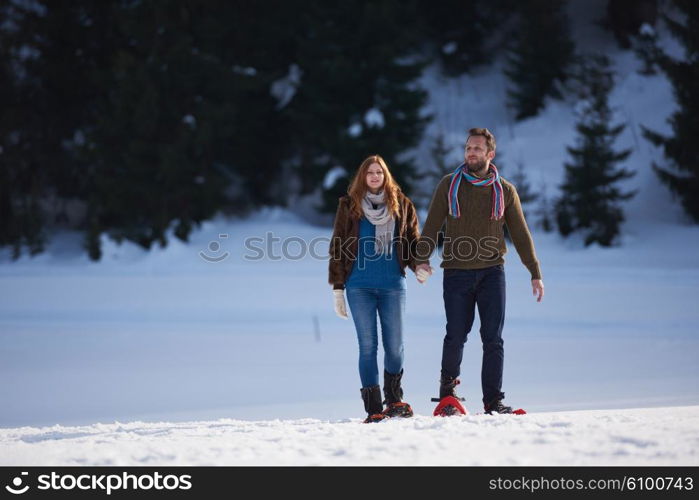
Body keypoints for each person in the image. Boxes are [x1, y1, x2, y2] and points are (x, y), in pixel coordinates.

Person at [414, 128, 545, 415]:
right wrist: (421, 259)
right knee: (456, 334)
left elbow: (520, 234)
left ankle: (493, 401)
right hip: (456, 273)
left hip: (492, 272)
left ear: (490, 154)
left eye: (477, 148)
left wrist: (534, 271)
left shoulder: (505, 190)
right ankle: (447, 397)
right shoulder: (449, 185)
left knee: (493, 338)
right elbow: (432, 226)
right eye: (468, 148)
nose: (471, 152)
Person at [328, 154, 424, 423]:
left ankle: (394, 400)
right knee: (368, 346)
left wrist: (419, 266)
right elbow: (337, 246)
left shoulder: (401, 205)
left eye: (379, 172)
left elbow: (413, 241)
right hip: (359, 286)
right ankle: (374, 409)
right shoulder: (349, 206)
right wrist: (337, 288)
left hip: (393, 284)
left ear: (386, 176)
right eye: (369, 172)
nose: (374, 176)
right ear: (362, 176)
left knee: (395, 346)